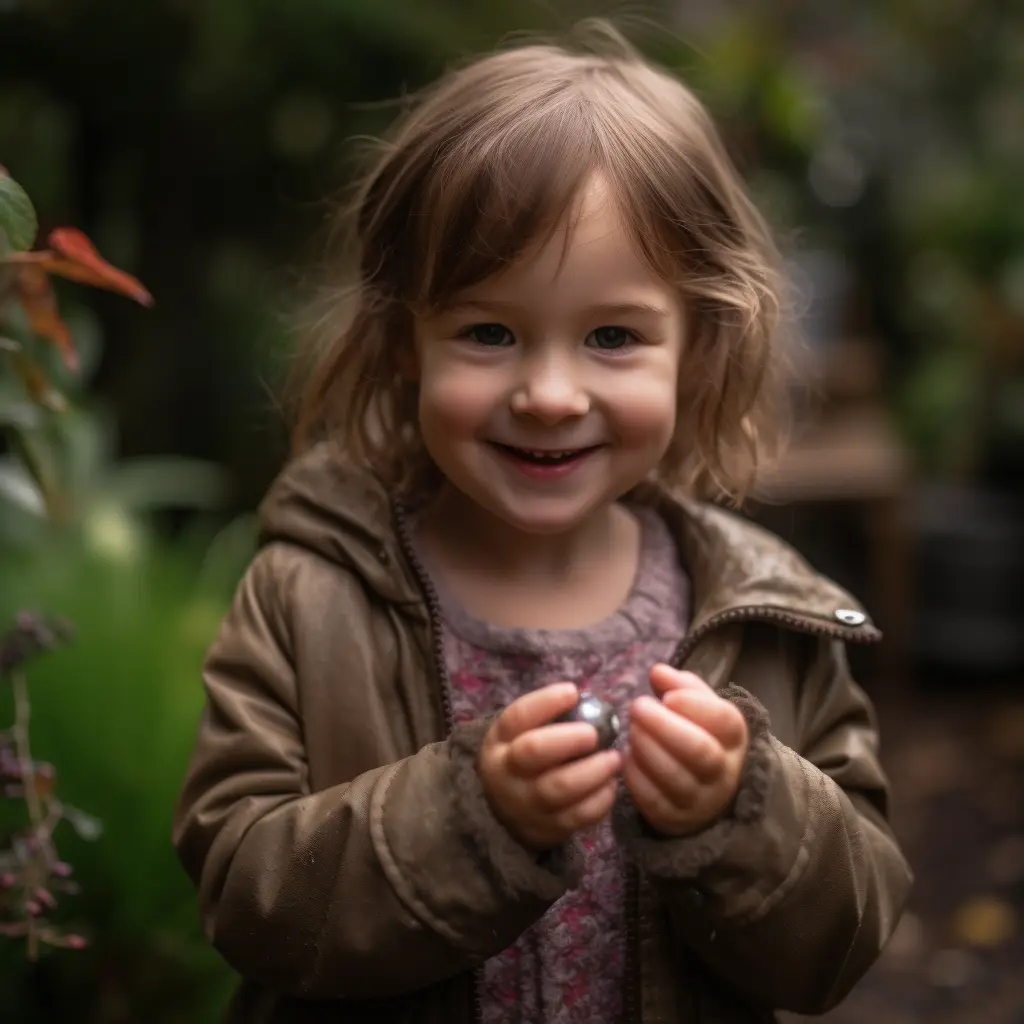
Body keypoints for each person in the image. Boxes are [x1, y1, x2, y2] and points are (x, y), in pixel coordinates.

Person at [173, 20, 912, 1024]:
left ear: (696, 345)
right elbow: (245, 896)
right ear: (402, 340)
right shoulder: (311, 594)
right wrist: (469, 822)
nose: (551, 393)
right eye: (489, 332)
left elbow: (843, 937)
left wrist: (740, 812)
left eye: (612, 335)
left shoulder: (766, 614)